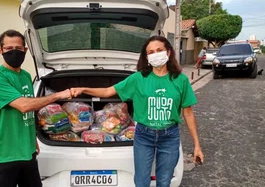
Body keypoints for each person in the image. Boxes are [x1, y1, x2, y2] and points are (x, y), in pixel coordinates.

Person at [70, 35, 204, 187]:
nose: (155, 54)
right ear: (146, 57)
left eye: (159, 50)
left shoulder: (180, 80)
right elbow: (108, 91)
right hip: (144, 136)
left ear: (168, 52)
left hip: (169, 137)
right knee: (141, 182)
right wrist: (84, 89)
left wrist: (196, 145)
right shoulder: (138, 78)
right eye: (151, 52)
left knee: (164, 182)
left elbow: (188, 113)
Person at [0, 29, 71, 187]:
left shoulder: (25, 76)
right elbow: (24, 106)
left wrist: (32, 139)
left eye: (18, 48)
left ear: (25, 50)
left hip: (27, 153)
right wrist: (57, 95)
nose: (14, 52)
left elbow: (31, 111)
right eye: (9, 49)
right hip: (3, 156)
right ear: (0, 50)